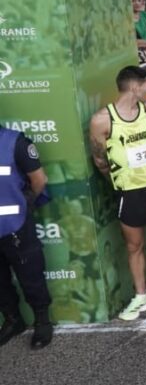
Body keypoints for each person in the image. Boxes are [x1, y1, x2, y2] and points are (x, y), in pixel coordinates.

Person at [89, 66, 146, 320]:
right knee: (134, 245)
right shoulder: (101, 120)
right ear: (134, 86)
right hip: (129, 192)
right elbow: (100, 161)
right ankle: (141, 296)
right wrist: (121, 180)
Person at [0, 126, 53, 348]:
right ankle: (13, 320)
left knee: (30, 276)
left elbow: (39, 179)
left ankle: (42, 322)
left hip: (16, 225)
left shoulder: (15, 142)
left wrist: (26, 203)